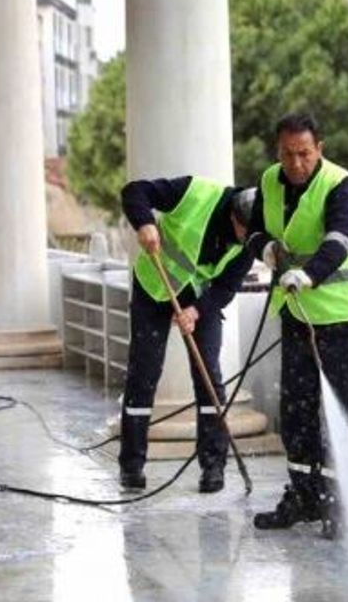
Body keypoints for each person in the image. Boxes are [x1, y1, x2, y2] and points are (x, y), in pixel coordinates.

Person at [247, 113, 348, 538]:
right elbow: (255, 231)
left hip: (342, 318)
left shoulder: (343, 186)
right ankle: (303, 497)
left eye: (304, 154)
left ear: (320, 147)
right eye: (287, 155)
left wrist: (309, 274)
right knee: (296, 412)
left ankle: (338, 507)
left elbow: (339, 240)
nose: (296, 163)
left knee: (338, 411)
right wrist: (264, 248)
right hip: (298, 317)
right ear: (277, 151)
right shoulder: (269, 181)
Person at [118, 175, 257, 494]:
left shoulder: (251, 240)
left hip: (200, 298)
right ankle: (132, 465)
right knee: (144, 374)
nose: (247, 240)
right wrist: (145, 223)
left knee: (209, 375)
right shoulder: (194, 194)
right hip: (155, 284)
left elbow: (226, 286)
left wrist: (195, 311)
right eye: (244, 232)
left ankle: (213, 467)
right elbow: (134, 191)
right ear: (233, 217)